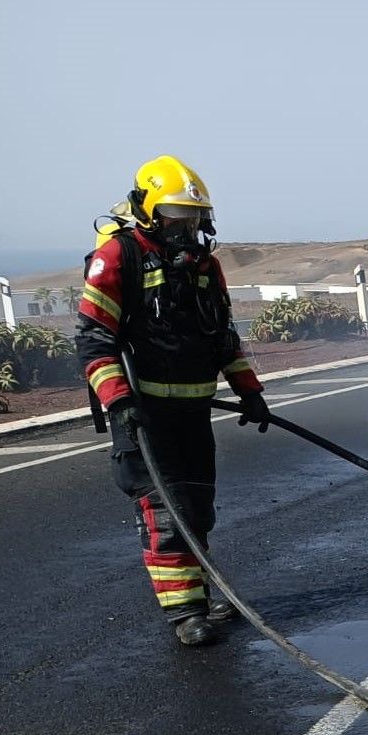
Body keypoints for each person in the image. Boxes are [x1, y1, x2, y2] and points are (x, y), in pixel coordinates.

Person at [77, 155, 272, 647]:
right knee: (165, 515)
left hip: (192, 414)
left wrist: (249, 391)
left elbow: (224, 337)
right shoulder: (119, 257)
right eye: (174, 218)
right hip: (142, 416)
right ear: (147, 211)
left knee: (197, 510)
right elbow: (94, 339)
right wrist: (119, 401)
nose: (185, 230)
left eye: (193, 220)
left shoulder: (206, 268)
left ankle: (202, 592)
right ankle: (185, 613)